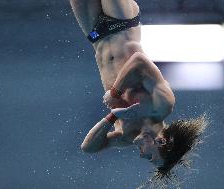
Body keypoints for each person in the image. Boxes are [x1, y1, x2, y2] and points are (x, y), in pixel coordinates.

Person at [70, 0, 207, 181]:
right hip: (122, 22)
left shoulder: (126, 135)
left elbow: (88, 148)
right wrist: (115, 93)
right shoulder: (162, 105)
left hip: (97, 35)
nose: (141, 156)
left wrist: (112, 117)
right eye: (150, 157)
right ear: (161, 142)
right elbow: (138, 60)